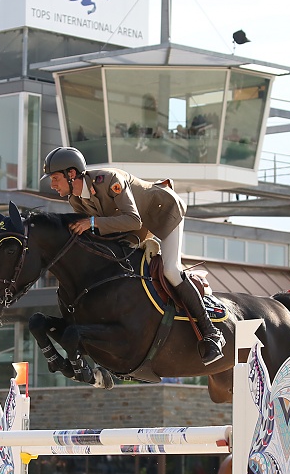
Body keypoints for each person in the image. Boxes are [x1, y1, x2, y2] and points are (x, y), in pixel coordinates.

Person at [41, 146, 225, 365]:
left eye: (55, 178)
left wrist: (92, 222)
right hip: (134, 231)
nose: (52, 185)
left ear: (72, 174)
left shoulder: (109, 180)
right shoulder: (75, 200)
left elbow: (132, 220)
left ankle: (212, 333)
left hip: (164, 215)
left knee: (171, 270)